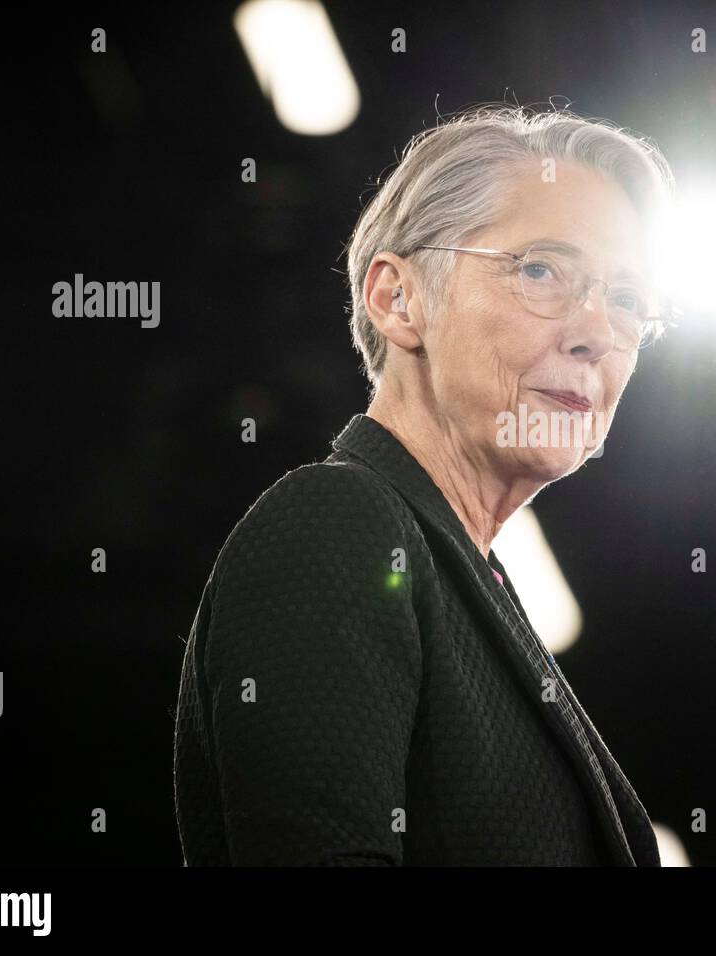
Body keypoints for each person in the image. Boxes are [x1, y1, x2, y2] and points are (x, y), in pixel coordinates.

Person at [174, 104, 676, 865]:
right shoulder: (335, 524)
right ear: (398, 300)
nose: (597, 332)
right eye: (541, 270)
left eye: (628, 300)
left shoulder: (472, 581)